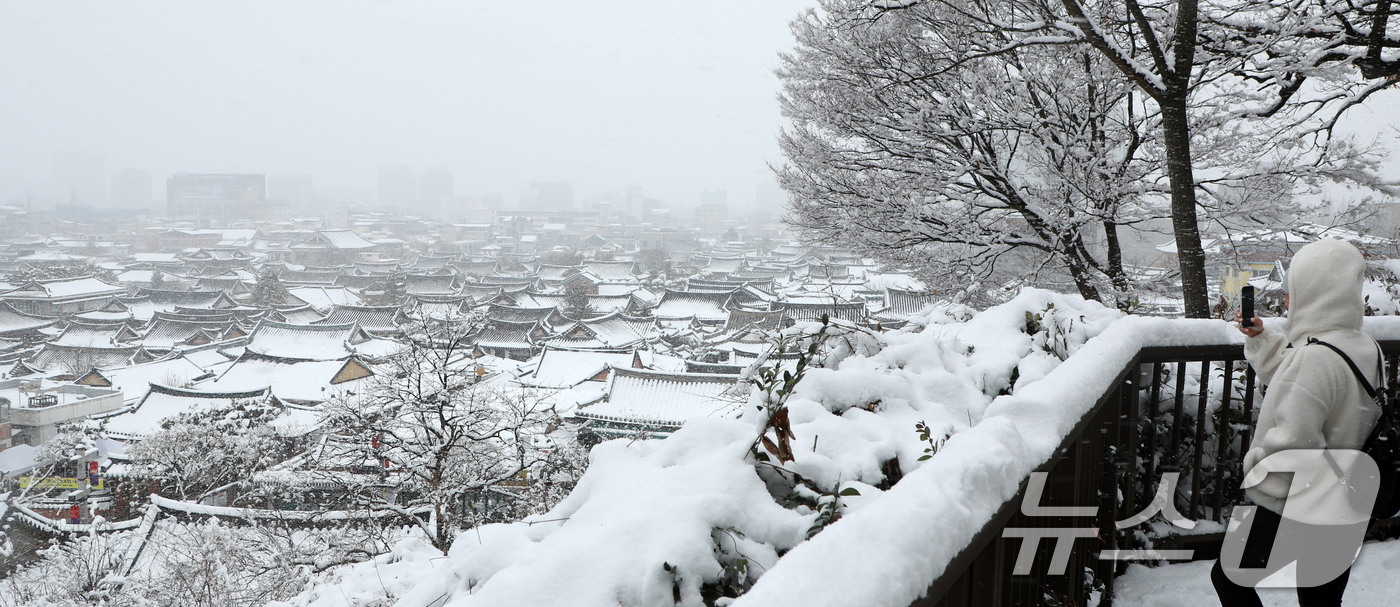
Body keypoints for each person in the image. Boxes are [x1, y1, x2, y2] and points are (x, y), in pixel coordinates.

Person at [1214, 237, 1383, 606]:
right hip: (1348, 500)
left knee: (1229, 579)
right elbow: (1306, 386)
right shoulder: (1366, 347)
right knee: (1320, 597)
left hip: (1296, 504)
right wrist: (1263, 339)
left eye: (1295, 288)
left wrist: (1257, 478)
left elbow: (1295, 444)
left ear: (1316, 291)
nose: (1288, 299)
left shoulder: (1316, 358)